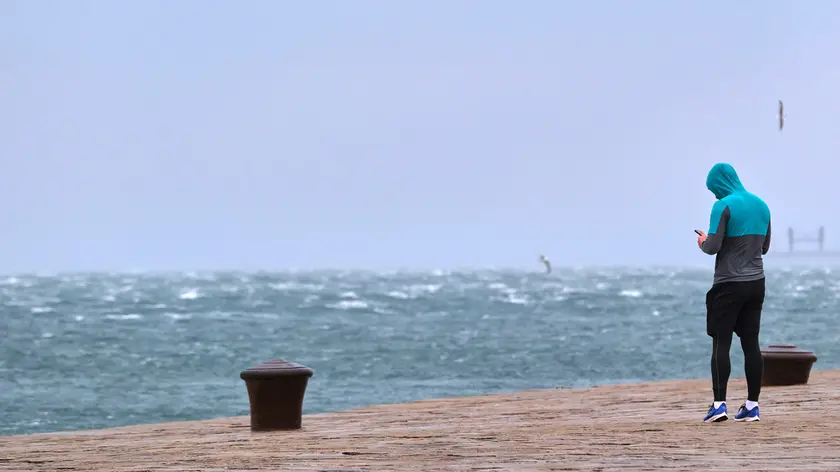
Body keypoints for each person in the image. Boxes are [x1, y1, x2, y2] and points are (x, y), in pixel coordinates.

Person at [695, 162, 771, 423]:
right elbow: (765, 247)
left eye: (714, 188)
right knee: (751, 343)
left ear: (720, 184)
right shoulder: (762, 205)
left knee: (721, 341)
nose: (714, 195)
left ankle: (719, 405)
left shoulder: (722, 205)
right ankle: (752, 406)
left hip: (728, 284)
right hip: (756, 283)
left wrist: (703, 241)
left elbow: (713, 247)